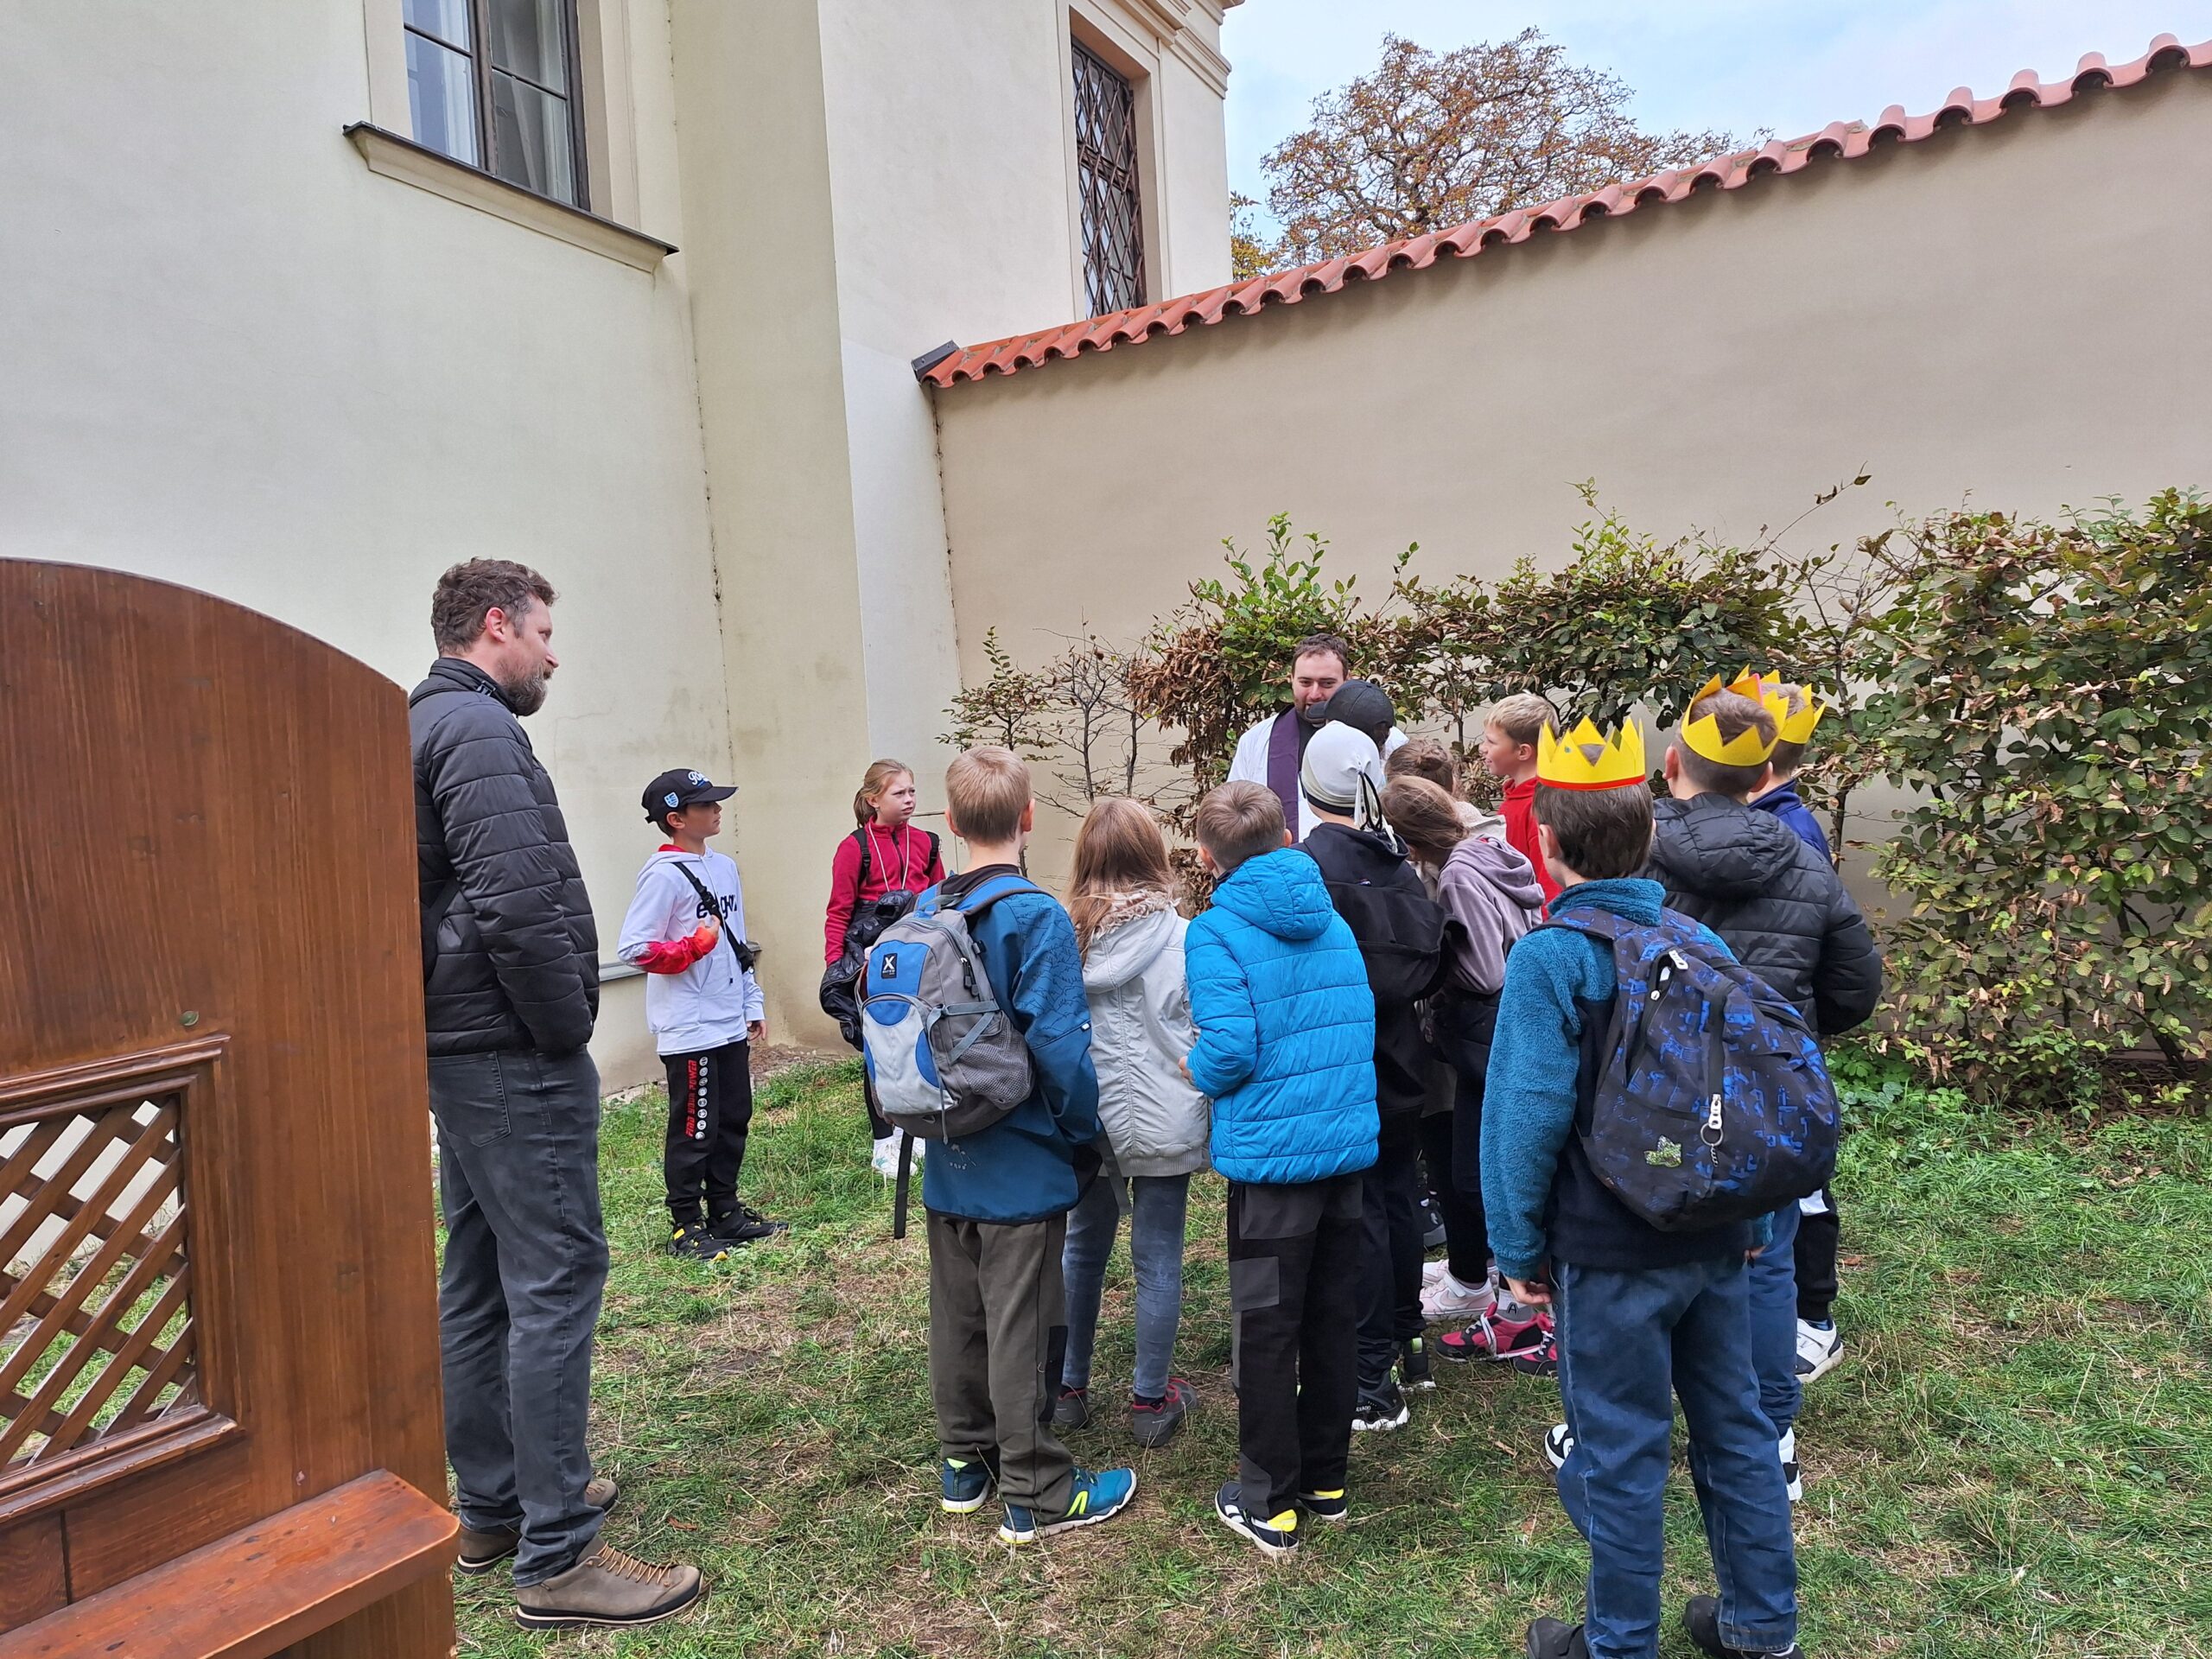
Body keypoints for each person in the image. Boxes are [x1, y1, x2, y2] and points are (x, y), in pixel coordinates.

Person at [410, 559, 700, 1630]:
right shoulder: (476, 730)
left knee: (481, 1272)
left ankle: (495, 1508)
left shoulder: (427, 722)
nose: (553, 654)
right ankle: (558, 1557)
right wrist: (562, 1024)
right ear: (497, 626)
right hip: (508, 1048)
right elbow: (517, 901)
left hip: (463, 1045)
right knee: (555, 1275)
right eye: (542, 633)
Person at [1484, 717, 1802, 1659]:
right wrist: (1755, 1214)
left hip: (1608, 1248)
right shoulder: (1695, 937)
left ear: (1545, 839)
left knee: (1619, 1452)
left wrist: (1515, 1245)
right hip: (1712, 1232)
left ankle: (1620, 1646)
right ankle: (1760, 1627)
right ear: (1649, 833)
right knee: (1735, 1429)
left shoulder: (1550, 957)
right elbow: (1747, 1090)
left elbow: (1525, 1113)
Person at [1643, 679, 1882, 1506]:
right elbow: (1855, 986)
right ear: (1762, 776)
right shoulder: (1807, 864)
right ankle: (1771, 1436)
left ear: (1672, 763)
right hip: (1766, 1101)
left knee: (1644, 1258)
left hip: (1657, 1099)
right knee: (1767, 1261)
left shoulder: (1635, 856)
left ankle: (1620, 1429)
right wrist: (1793, 1035)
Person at [922, 747, 1137, 1545]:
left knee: (959, 1313)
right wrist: (1079, 1135)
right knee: (1022, 1319)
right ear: (1028, 817)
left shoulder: (927, 908)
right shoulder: (1034, 915)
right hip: (1021, 1158)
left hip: (945, 1150)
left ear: (950, 821)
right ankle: (1037, 1489)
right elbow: (1060, 1048)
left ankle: (964, 1461)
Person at [1183, 782, 1378, 1557]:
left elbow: (1229, 1048)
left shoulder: (1214, 931)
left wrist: (1193, 1067)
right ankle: (1325, 1478)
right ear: (1287, 837)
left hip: (1271, 1171)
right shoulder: (1331, 915)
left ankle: (1269, 1501)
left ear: (1207, 856)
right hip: (1343, 1154)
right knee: (1331, 1314)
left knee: (1265, 1327)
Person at [1296, 725, 1449, 1433]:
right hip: (1400, 1056)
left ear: (1307, 787)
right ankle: (1406, 1341)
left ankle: (1367, 1380)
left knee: (1355, 1218)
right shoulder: (1396, 862)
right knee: (1396, 1199)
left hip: (1340, 1063)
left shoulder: (1307, 867)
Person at [1052, 798, 1207, 1448]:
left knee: (1081, 1247)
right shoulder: (1186, 938)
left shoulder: (1062, 940)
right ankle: (1149, 1400)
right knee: (1159, 1255)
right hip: (1168, 1117)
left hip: (1089, 1119)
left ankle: (1068, 1388)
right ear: (1153, 855)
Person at [1382, 778, 1548, 1357]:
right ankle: (1510, 1302)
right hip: (1510, 1031)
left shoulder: (1457, 874)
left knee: (1476, 1179)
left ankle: (1522, 1312)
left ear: (1410, 841)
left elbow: (1483, 971)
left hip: (1483, 1036)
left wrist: (1431, 967)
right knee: (1490, 1171)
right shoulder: (1493, 850)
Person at [616, 769, 783, 1263]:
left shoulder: (725, 868)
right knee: (695, 1126)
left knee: (734, 1118)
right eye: (705, 804)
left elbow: (737, 943)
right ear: (676, 819)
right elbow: (635, 948)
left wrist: (751, 1002)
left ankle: (725, 1211)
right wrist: (693, 946)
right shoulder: (663, 875)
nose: (717, 810)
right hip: (689, 1025)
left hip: (727, 1018)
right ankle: (685, 1224)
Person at [1744, 683, 1847, 1384]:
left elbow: (1839, 959)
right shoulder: (1770, 820)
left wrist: (1804, 1027)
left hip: (1782, 1043)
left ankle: (1815, 1318)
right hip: (1770, 1038)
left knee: (1802, 1186)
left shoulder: (1792, 833)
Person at [823, 760, 944, 1177]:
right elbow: (839, 912)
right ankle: (884, 1142)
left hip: (919, 953)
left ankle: (922, 1130)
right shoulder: (854, 848)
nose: (909, 799)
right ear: (873, 799)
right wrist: (837, 968)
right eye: (899, 793)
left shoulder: (928, 843)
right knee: (880, 1043)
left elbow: (939, 902)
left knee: (922, 1036)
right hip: (872, 959)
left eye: (912, 791)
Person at [1226, 633, 1405, 840]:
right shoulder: (1256, 741)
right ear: (1291, 679)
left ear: (1347, 680)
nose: (1314, 694)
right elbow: (1235, 815)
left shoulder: (1388, 740)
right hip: (1285, 857)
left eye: (1327, 683)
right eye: (1305, 682)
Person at [1479, 692, 1563, 906]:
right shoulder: (1516, 795)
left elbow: (1549, 886)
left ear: (1523, 752)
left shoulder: (1540, 807)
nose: (1482, 748)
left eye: (1491, 742)